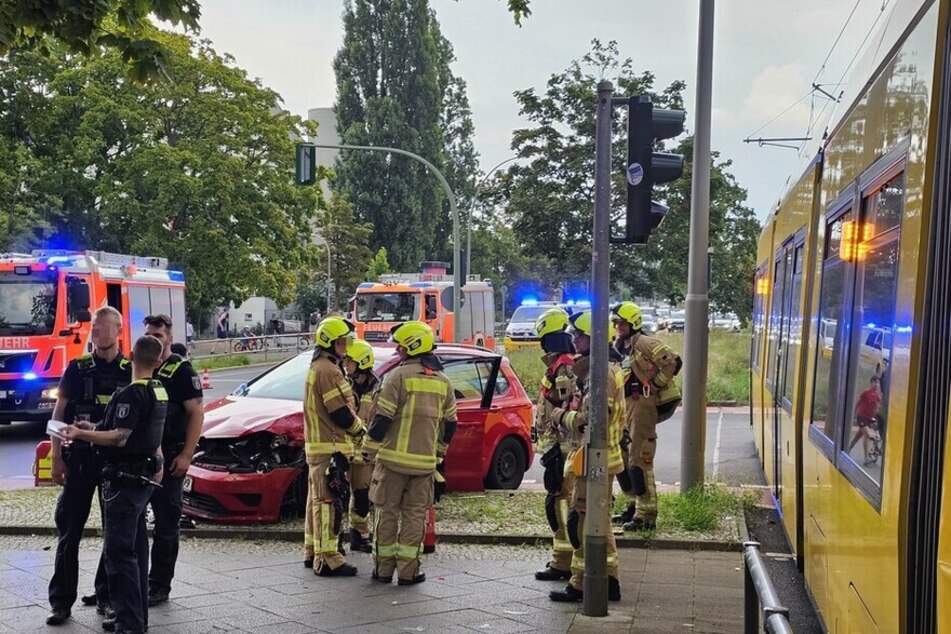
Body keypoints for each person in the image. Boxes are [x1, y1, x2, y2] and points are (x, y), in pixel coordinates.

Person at [61, 335, 167, 634]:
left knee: (119, 555)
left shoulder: (130, 393)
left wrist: (81, 435)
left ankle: (128, 622)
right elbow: (136, 431)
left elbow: (119, 437)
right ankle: (138, 617)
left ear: (132, 356)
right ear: (158, 361)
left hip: (124, 480)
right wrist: (91, 428)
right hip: (144, 477)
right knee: (137, 551)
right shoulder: (158, 390)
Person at [46, 306, 131, 626]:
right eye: (94, 327)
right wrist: (55, 458)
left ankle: (107, 597)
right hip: (79, 461)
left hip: (114, 463)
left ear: (118, 331)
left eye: (102, 327)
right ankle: (60, 602)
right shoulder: (77, 368)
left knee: (114, 535)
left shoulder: (130, 369)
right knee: (68, 534)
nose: (95, 331)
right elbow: (58, 413)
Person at [363, 322, 457, 585]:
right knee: (416, 516)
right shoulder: (443, 382)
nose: (398, 350)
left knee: (386, 513)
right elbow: (450, 424)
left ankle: (383, 571)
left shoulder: (397, 377)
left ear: (412, 347)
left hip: (392, 462)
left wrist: (368, 452)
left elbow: (381, 419)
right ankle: (409, 572)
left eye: (401, 346)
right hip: (425, 465)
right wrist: (439, 454)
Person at [548, 310, 624, 603]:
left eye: (579, 335)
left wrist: (561, 416)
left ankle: (581, 584)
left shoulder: (600, 373)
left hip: (595, 459)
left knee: (584, 521)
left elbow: (593, 418)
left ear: (594, 338)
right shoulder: (600, 367)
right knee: (598, 520)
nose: (574, 340)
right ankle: (609, 579)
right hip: (596, 456)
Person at [142, 314, 204, 606]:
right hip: (139, 458)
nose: (153, 339)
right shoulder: (138, 365)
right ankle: (122, 583)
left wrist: (186, 455)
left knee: (166, 526)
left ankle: (159, 585)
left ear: (169, 337)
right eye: (149, 335)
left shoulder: (181, 371)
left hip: (170, 458)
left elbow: (196, 413)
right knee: (128, 525)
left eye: (158, 335)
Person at [611, 302, 682, 532]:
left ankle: (646, 515)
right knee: (622, 458)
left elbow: (673, 361)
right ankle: (632, 507)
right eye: (616, 323)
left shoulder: (644, 343)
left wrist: (654, 385)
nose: (618, 327)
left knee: (639, 458)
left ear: (633, 323)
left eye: (622, 323)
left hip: (642, 405)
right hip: (625, 406)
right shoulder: (620, 346)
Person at [304, 316, 366, 576]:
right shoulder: (328, 370)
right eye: (342, 341)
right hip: (331, 447)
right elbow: (339, 411)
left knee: (315, 502)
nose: (345, 346)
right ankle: (329, 558)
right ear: (330, 342)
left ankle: (312, 551)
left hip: (321, 447)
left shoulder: (321, 365)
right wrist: (359, 429)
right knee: (329, 504)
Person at [531, 308, 579, 583]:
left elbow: (566, 403)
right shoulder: (558, 365)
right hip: (556, 445)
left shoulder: (564, 366)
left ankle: (563, 562)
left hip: (562, 445)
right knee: (556, 502)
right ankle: (561, 559)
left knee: (560, 502)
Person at [344, 338, 381, 553]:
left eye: (350, 360)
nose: (346, 364)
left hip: (365, 453)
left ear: (362, 362)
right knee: (341, 495)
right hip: (345, 449)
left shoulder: (377, 389)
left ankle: (359, 535)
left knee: (361, 496)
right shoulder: (345, 383)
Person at [849, 376, 882, 465]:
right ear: (871, 383)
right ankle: (866, 458)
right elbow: (859, 402)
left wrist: (878, 412)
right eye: (875, 382)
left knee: (858, 436)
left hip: (869, 418)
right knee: (867, 434)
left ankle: (847, 450)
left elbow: (879, 405)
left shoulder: (877, 395)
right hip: (861, 417)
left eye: (878, 383)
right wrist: (854, 413)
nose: (876, 385)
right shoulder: (865, 393)